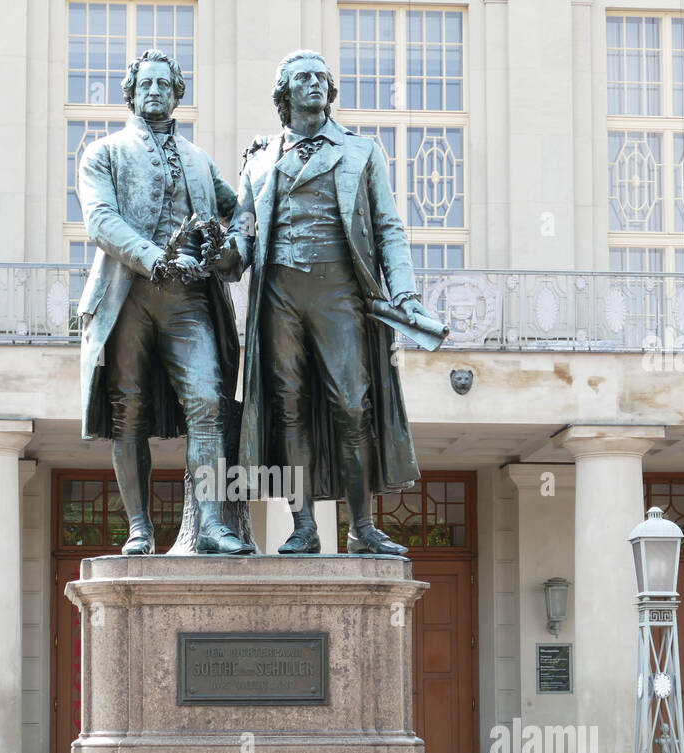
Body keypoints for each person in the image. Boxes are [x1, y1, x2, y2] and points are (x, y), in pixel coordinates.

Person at [222, 49, 435, 554]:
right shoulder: (259, 157)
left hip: (340, 294)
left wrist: (404, 293)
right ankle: (304, 527)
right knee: (289, 409)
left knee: (352, 405)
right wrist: (225, 251)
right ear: (284, 93)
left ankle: (361, 527)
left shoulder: (362, 152)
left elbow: (388, 229)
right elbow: (244, 233)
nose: (315, 84)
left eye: (322, 77)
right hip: (278, 297)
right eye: (303, 78)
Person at [77, 49, 250, 555]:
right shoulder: (102, 153)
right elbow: (101, 222)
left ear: (178, 95)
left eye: (164, 85)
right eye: (145, 85)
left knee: (208, 404)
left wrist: (230, 250)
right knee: (127, 411)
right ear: (130, 94)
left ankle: (213, 525)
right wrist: (155, 258)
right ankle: (139, 528)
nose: (154, 92)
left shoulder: (200, 160)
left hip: (189, 301)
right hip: (127, 295)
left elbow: (241, 211)